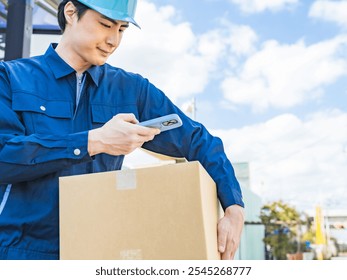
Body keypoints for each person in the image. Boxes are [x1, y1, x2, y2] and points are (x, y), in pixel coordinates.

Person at [0, 0, 244, 260]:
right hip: (19, 253)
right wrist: (93, 142)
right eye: (105, 25)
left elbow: (199, 140)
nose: (113, 40)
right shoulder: (11, 78)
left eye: (122, 29)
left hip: (96, 252)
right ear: (71, 13)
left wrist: (234, 207)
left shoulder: (131, 90)